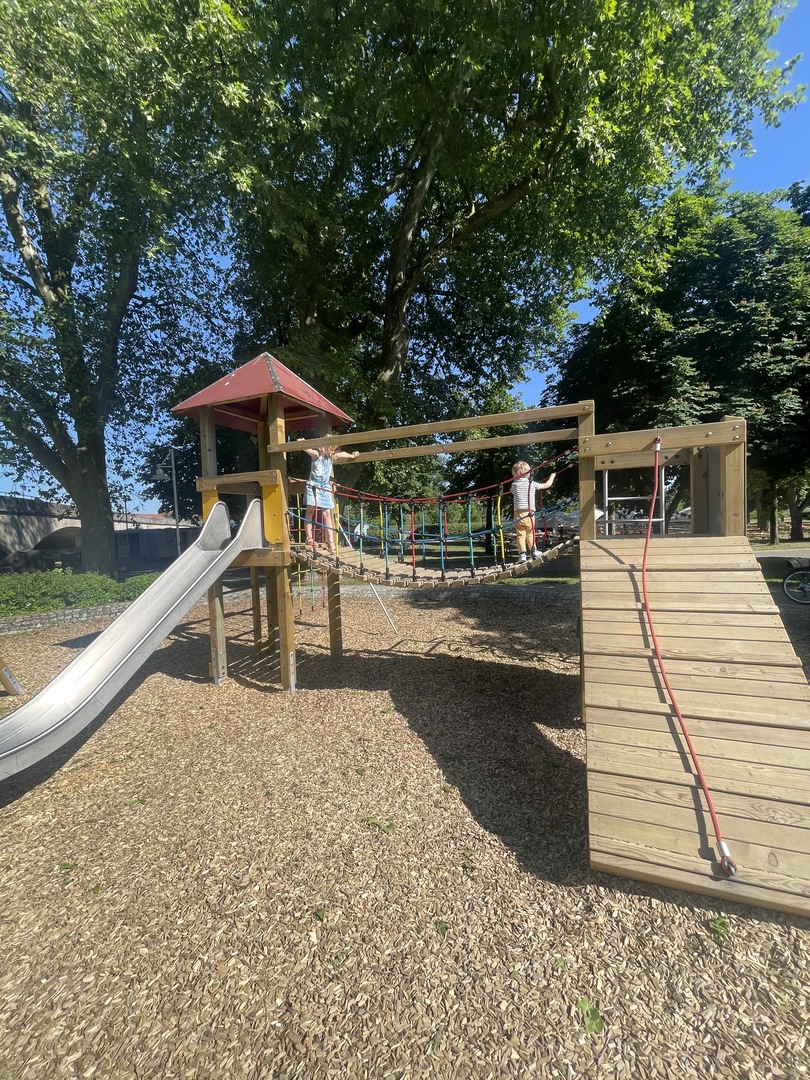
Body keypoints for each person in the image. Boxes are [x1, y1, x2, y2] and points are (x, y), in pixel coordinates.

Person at [300, 443, 359, 556]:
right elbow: (307, 449)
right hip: (313, 486)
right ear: (321, 446)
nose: (329, 449)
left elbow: (342, 454)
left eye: (332, 447)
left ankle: (330, 541)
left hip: (325, 487)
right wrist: (302, 442)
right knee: (310, 511)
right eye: (327, 446)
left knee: (327, 514)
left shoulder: (332, 457)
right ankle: (309, 537)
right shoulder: (317, 455)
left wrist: (352, 456)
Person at [511, 460, 556, 562]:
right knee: (530, 533)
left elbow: (512, 491)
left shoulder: (514, 485)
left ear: (517, 474)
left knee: (520, 534)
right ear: (528, 473)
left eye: (513, 475)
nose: (513, 477)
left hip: (518, 514)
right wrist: (552, 476)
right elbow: (547, 485)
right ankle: (533, 550)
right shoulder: (532, 484)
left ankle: (522, 554)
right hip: (530, 513)